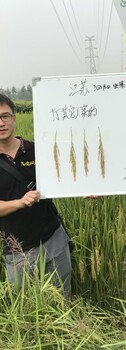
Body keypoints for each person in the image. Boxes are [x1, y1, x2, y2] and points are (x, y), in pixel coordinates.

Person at [0, 94, 72, 299]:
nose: (1, 123)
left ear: (14, 118)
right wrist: (19, 203)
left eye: (5, 116)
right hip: (18, 251)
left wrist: (86, 189)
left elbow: (66, 178)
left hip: (54, 239)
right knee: (27, 307)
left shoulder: (38, 150)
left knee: (62, 298)